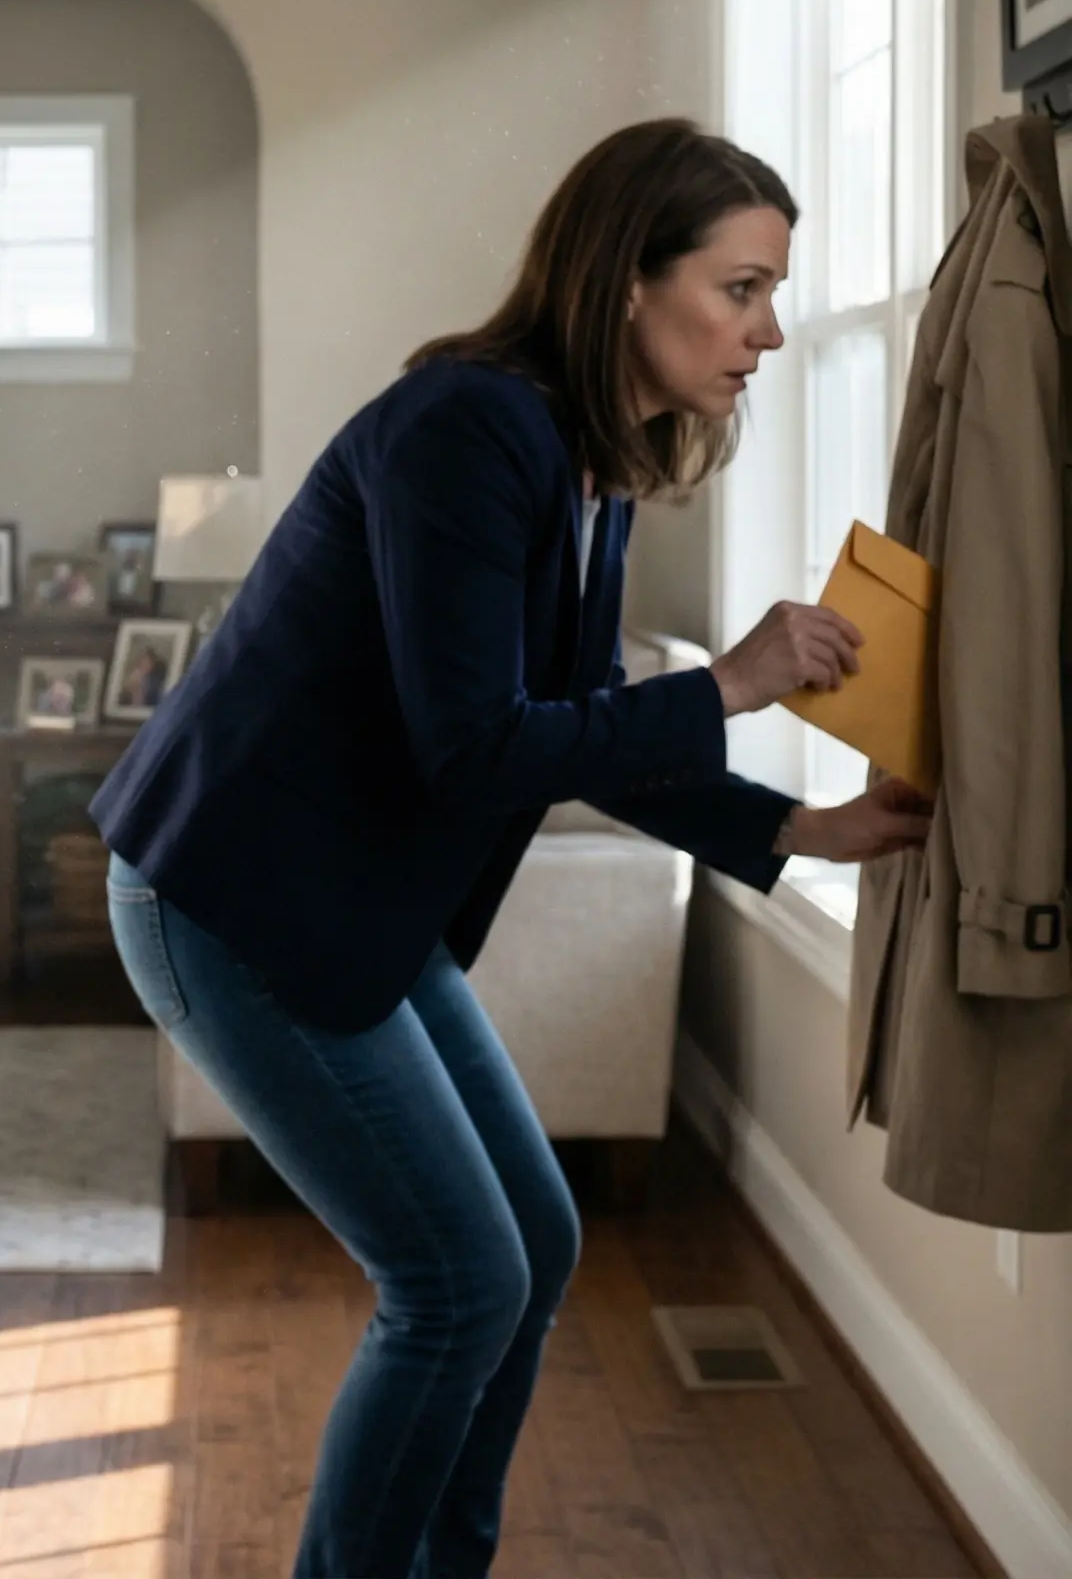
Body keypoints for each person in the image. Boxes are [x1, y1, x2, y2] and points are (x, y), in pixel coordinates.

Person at [90, 119, 931, 1579]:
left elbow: (586, 723)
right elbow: (476, 746)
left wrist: (798, 829)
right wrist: (732, 683)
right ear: (627, 280)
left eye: (772, 294)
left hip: (356, 899)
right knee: (458, 1283)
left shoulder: (592, 462)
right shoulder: (467, 428)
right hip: (232, 896)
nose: (769, 332)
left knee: (532, 1245)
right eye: (740, 289)